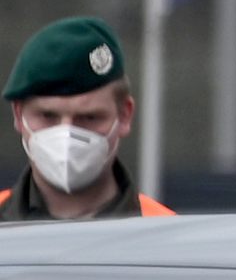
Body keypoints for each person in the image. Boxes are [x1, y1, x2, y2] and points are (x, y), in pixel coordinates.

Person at [1, 17, 171, 220]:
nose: (67, 135)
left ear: (125, 115)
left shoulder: (168, 238)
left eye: (89, 117)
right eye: (48, 116)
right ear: (19, 115)